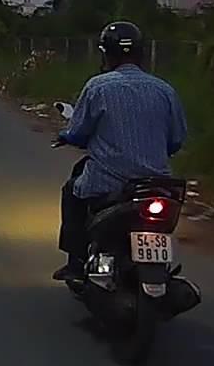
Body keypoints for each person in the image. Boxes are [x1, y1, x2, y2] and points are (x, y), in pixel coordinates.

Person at [52, 21, 188, 281]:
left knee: (71, 191)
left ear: (106, 54)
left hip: (108, 183)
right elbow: (176, 140)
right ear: (140, 53)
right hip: (156, 185)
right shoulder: (165, 90)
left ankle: (76, 262)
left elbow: (78, 133)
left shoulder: (98, 86)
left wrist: (66, 136)